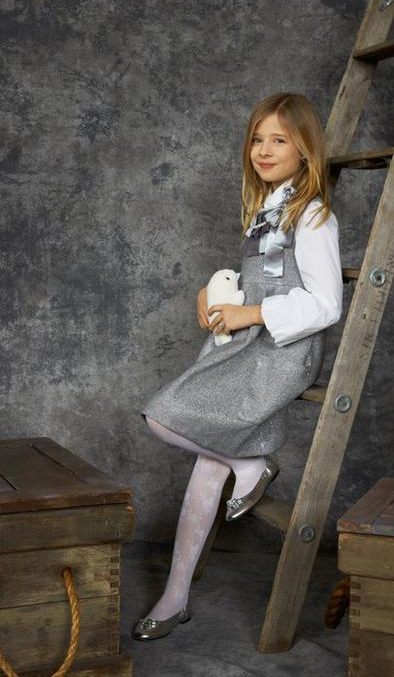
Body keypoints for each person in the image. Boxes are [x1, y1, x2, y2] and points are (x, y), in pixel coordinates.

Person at [132, 92, 343, 641]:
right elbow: (257, 278)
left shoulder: (312, 215)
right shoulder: (265, 209)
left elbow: (326, 304)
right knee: (209, 462)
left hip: (282, 349)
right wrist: (212, 293)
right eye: (257, 139)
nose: (264, 150)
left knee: (163, 415)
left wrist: (253, 313)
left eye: (279, 140)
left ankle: (250, 467)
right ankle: (176, 596)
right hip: (247, 343)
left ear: (305, 150)